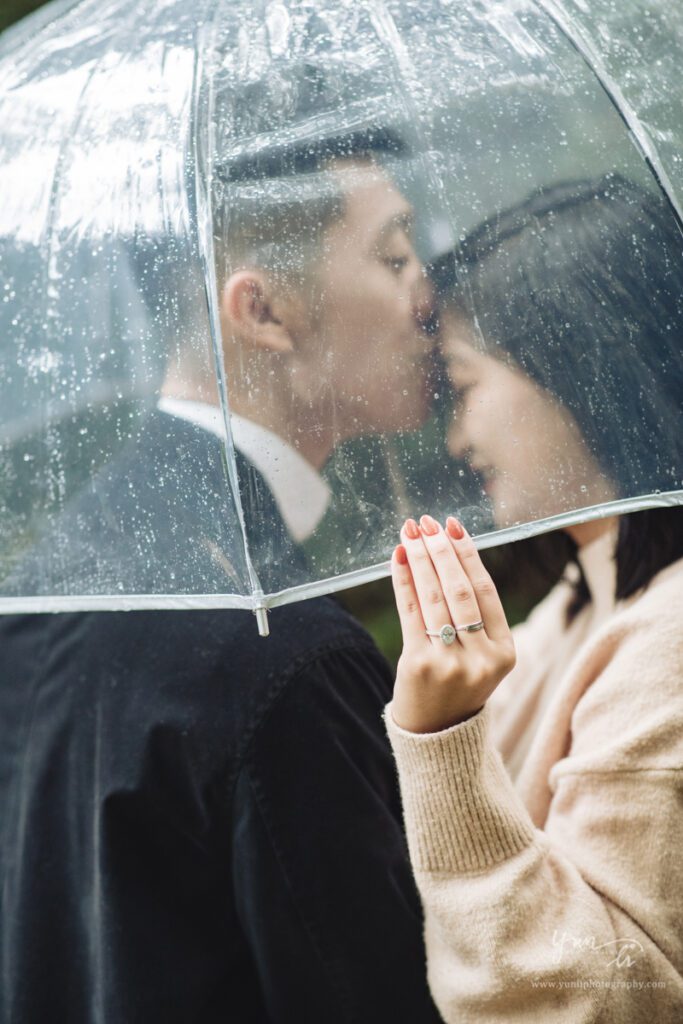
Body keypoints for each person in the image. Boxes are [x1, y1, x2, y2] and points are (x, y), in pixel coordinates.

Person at [0, 106, 441, 1024]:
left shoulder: (39, 582)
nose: (427, 294)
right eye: (393, 257)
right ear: (262, 311)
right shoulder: (286, 655)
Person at [383, 176, 683, 1021]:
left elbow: (587, 1000)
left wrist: (442, 740)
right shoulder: (567, 612)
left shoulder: (670, 639)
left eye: (465, 383)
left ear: (580, 372)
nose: (456, 436)